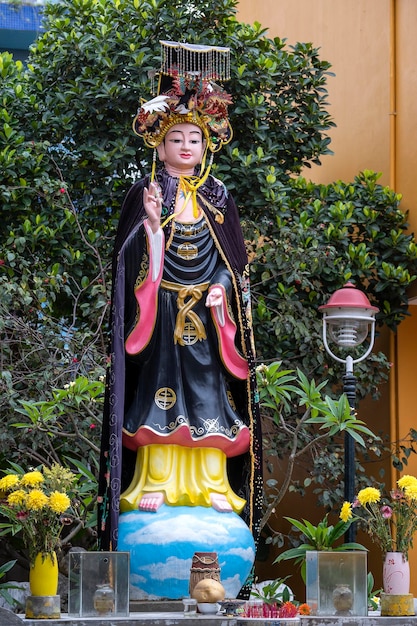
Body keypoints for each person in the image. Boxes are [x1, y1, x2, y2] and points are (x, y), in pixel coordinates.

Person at [97, 41, 262, 558]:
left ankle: (214, 486)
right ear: (160, 146)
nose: (187, 145)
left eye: (195, 137)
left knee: (210, 396)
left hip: (209, 320)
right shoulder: (146, 195)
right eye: (177, 137)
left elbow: (235, 264)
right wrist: (150, 225)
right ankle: (154, 482)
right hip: (162, 311)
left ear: (206, 145)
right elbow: (129, 266)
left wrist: (222, 292)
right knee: (160, 391)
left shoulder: (218, 197)